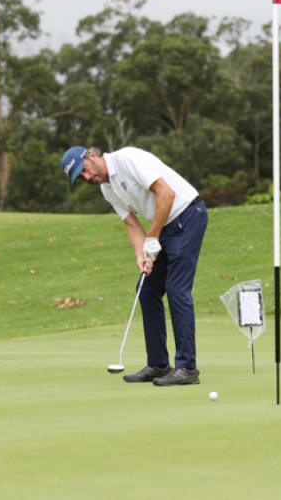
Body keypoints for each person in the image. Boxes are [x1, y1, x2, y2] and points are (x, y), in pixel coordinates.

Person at [62, 146, 209, 385]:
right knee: (147, 288)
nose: (87, 177)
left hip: (187, 214)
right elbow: (132, 224)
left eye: (85, 170)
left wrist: (153, 237)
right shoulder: (107, 189)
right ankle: (158, 364)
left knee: (176, 288)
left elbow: (167, 194)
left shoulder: (128, 159)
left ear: (92, 155)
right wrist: (141, 255)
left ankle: (187, 368)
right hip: (164, 224)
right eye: (81, 177)